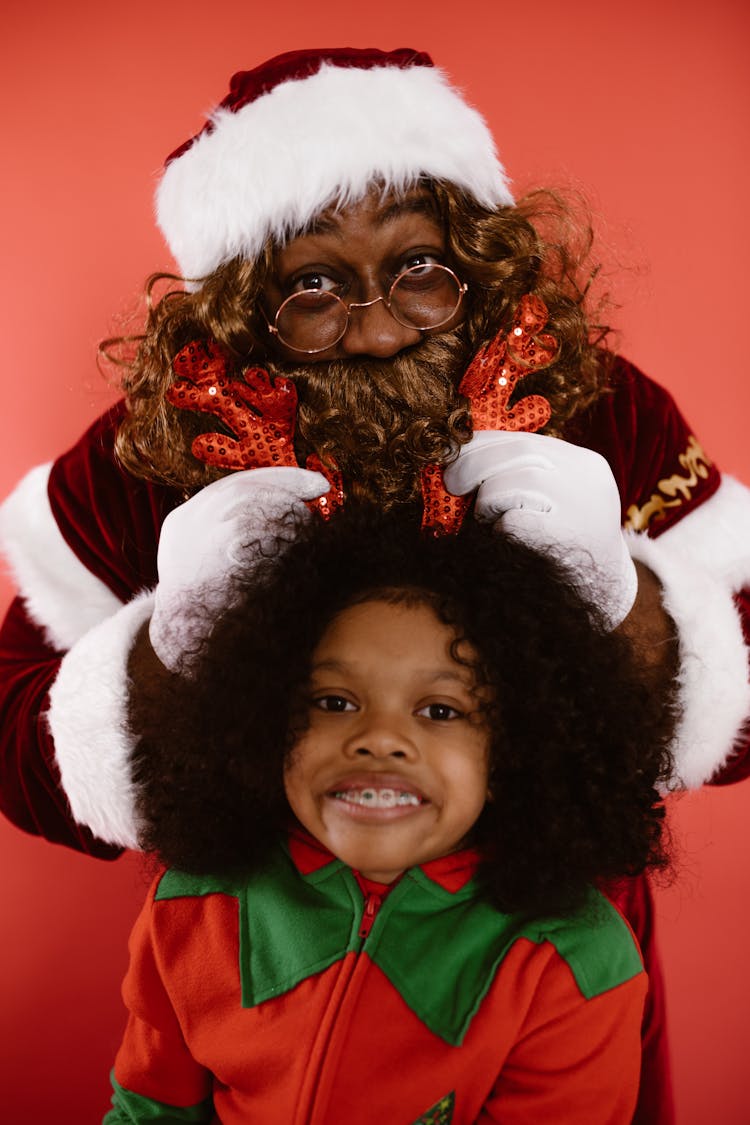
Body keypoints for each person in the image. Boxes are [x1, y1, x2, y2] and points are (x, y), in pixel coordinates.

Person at [0, 46, 749, 1123]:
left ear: (475, 261)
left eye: (419, 272)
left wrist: (618, 601)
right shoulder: (154, 449)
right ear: (248, 301)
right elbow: (12, 725)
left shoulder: (591, 403)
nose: (382, 327)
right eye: (314, 288)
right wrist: (170, 656)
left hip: (549, 961)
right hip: (255, 951)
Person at [104, 505, 673, 1124]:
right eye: (334, 700)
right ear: (263, 720)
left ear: (518, 747)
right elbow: (147, 1113)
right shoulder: (190, 908)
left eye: (440, 710)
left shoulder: (572, 961)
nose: (380, 738)